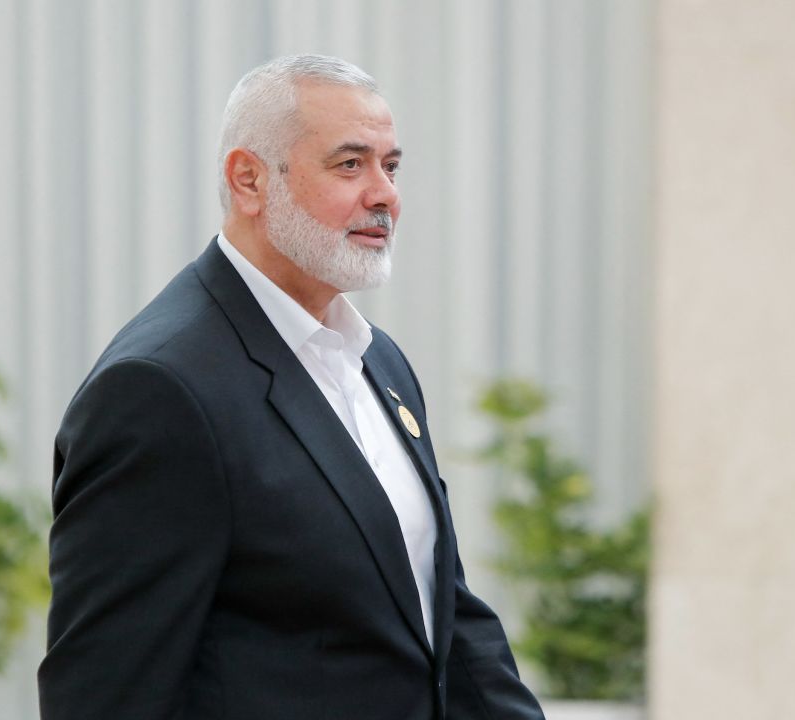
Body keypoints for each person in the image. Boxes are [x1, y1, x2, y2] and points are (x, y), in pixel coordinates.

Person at [38, 54, 545, 720]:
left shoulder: (378, 361)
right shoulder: (160, 391)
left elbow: (440, 617)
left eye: (391, 167)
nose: (384, 194)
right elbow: (105, 694)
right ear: (249, 180)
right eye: (349, 165)